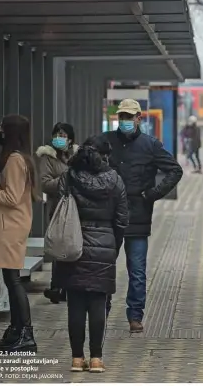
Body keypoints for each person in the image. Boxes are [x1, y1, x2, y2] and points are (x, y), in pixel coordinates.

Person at [104, 99, 183, 333]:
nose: (126, 121)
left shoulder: (150, 145)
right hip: (109, 216)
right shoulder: (105, 142)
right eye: (122, 117)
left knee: (137, 271)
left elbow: (175, 170)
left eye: (130, 117)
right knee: (104, 267)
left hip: (138, 216)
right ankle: (102, 311)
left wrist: (153, 194)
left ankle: (135, 316)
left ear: (139, 118)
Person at [55, 136, 128, 373]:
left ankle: (77, 359)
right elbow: (122, 219)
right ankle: (96, 358)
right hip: (104, 243)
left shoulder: (70, 176)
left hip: (73, 243)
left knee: (75, 303)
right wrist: (113, 246)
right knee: (98, 302)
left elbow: (60, 208)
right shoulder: (115, 180)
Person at [0, 114, 40, 353]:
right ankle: (17, 331)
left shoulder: (14, 160)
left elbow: (12, 197)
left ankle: (24, 332)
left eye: (2, 127)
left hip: (9, 228)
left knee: (13, 280)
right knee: (11, 279)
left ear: (10, 132)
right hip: (10, 226)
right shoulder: (18, 158)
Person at [37, 122, 78, 304]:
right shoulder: (47, 156)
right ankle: (57, 286)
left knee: (72, 243)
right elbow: (44, 183)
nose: (58, 139)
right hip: (58, 207)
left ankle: (68, 286)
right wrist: (65, 179)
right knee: (60, 245)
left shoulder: (77, 155)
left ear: (70, 140)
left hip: (76, 207)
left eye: (62, 135)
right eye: (56, 135)